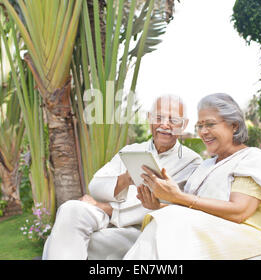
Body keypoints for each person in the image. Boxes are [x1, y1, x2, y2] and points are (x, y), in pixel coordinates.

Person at [124, 93, 261, 260]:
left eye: (210, 124)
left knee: (168, 224)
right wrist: (158, 205)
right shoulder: (206, 166)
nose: (203, 131)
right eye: (200, 126)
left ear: (234, 125)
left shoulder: (251, 158)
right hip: (212, 235)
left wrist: (177, 197)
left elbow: (240, 212)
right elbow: (193, 211)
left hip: (252, 242)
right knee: (163, 222)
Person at [42, 94, 202, 259]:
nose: (164, 124)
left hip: (142, 229)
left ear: (184, 125)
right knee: (71, 209)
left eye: (173, 120)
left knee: (60, 241)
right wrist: (125, 179)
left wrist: (106, 207)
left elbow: (165, 205)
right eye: (158, 117)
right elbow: (95, 186)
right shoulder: (132, 150)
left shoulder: (191, 161)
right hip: (105, 217)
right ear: (149, 118)